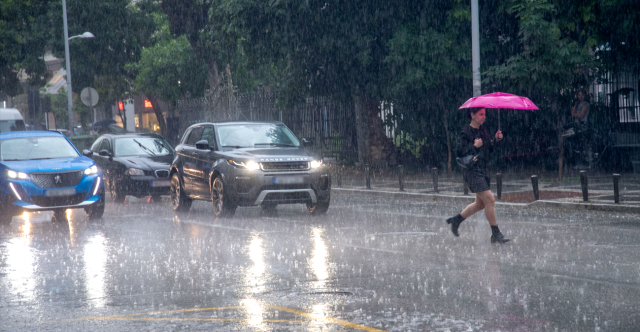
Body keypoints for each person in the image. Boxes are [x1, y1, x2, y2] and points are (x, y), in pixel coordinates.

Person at [446, 107, 509, 243]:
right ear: (472, 115)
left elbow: (489, 149)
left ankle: (456, 220)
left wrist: (496, 140)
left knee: (480, 204)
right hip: (472, 171)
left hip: (483, 170)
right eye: (481, 114)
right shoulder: (466, 132)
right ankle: (496, 233)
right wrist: (474, 146)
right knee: (490, 200)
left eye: (484, 114)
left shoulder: (483, 130)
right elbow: (459, 152)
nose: (483, 117)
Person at [570, 89, 592, 168]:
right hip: (576, 125)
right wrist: (576, 114)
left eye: (582, 95)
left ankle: (586, 161)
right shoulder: (576, 103)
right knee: (576, 143)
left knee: (583, 143)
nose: (580, 97)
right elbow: (572, 113)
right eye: (579, 95)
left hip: (583, 125)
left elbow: (581, 115)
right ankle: (578, 161)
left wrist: (575, 114)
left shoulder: (586, 104)